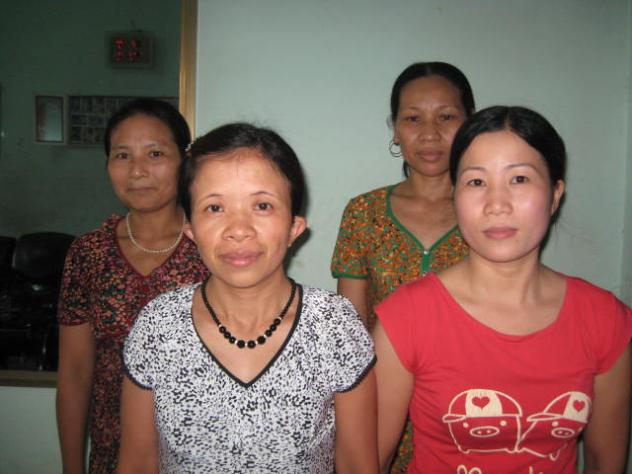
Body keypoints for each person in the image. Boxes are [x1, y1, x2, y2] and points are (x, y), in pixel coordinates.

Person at [374, 106, 631, 472]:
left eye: (519, 179)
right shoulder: (406, 318)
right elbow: (367, 463)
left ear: (555, 195)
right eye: (476, 182)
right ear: (455, 195)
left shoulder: (605, 320)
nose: (496, 204)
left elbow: (606, 463)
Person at [117, 123, 378, 473]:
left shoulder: (334, 327)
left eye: (262, 205)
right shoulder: (157, 327)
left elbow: (358, 465)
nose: (238, 229)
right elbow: (137, 463)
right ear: (191, 231)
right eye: (214, 208)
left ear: (294, 228)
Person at [331, 61, 475, 472]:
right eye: (413, 119)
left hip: (469, 403)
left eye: (446, 117)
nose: (429, 133)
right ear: (394, 129)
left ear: (470, 123)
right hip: (380, 402)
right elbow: (353, 330)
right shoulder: (364, 212)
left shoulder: (488, 212)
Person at [56, 99, 208, 474]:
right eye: (122, 155)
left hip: (200, 454)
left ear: (185, 160)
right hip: (112, 451)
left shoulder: (214, 247)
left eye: (155, 153)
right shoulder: (89, 253)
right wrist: (72, 468)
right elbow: (75, 374)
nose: (138, 170)